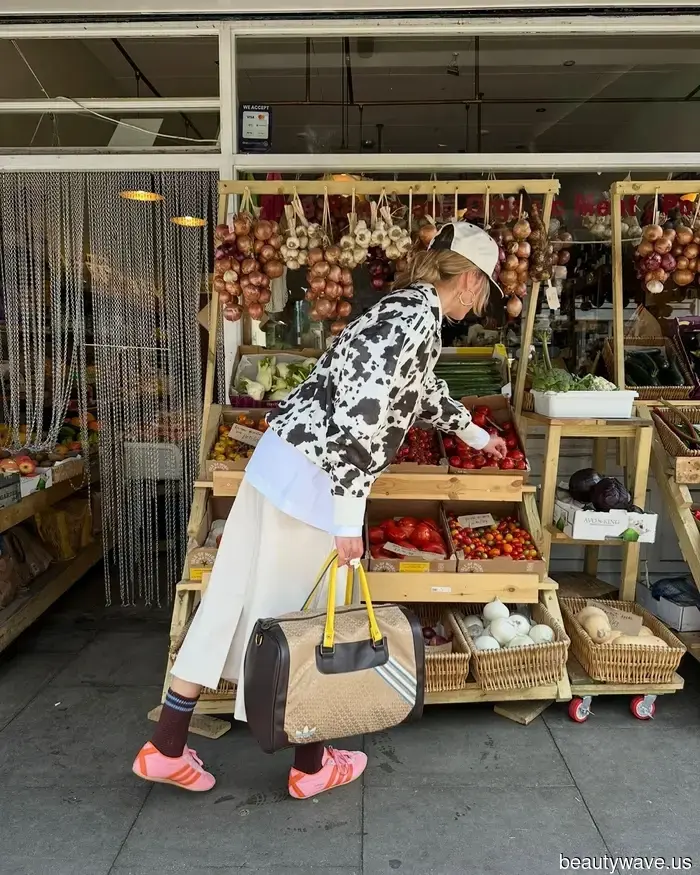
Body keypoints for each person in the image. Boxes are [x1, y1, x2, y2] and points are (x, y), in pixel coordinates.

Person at [132, 221, 508, 800]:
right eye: (485, 288)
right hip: (314, 484)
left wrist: (479, 439)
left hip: (280, 466)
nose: (482, 300)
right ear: (472, 281)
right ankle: (311, 764)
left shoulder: (403, 310)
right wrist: (348, 514)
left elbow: (417, 389)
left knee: (231, 599)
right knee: (311, 619)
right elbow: (363, 416)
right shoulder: (414, 321)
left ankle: (166, 745)